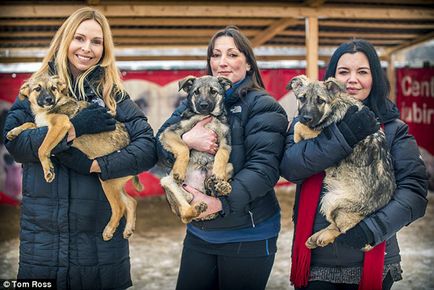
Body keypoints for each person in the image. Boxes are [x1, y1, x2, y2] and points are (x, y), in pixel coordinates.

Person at [3, 7, 157, 289]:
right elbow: (16, 146)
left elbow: (148, 148)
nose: (87, 48)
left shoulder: (114, 95)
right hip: (44, 244)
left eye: (96, 42)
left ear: (105, 48)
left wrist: (96, 166)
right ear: (65, 40)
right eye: (79, 38)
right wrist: (74, 129)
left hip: (100, 249)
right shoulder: (38, 88)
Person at [280, 39, 428, 290]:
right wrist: (343, 137)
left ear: (375, 78)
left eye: (362, 72)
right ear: (332, 80)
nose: (352, 80)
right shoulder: (305, 121)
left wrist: (372, 229)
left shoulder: (394, 129)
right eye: (343, 71)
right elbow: (291, 168)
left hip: (372, 255)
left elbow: (414, 192)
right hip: (316, 261)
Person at [156, 26, 288, 290]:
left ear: (249, 63)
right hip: (200, 232)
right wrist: (186, 141)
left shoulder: (264, 106)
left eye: (232, 54)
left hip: (247, 232)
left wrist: (219, 204)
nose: (222, 62)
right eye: (216, 55)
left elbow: (264, 170)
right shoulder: (192, 104)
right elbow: (157, 148)